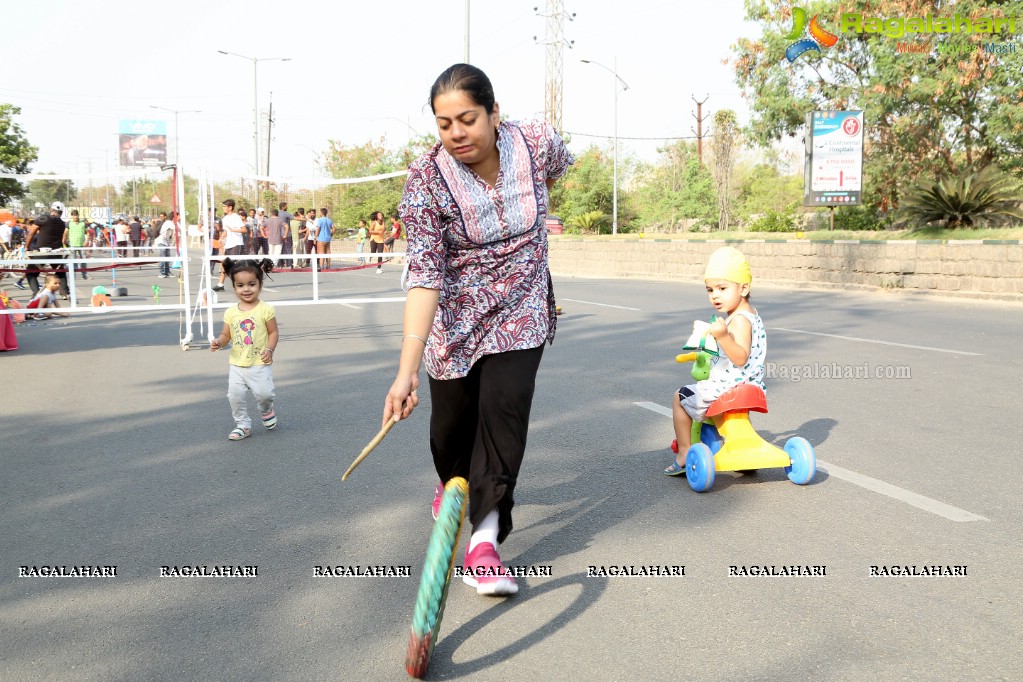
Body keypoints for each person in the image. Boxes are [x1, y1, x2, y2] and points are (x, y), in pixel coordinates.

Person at [383, 64, 574, 597]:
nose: (456, 134)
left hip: (523, 305)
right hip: (456, 317)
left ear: (494, 112)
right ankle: (452, 486)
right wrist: (406, 373)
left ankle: (485, 542)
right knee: (452, 434)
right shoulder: (424, 180)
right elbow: (424, 273)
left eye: (467, 119)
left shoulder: (535, 141)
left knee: (504, 413)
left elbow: (556, 171)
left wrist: (526, 220)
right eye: (444, 124)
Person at [664, 246, 767, 476]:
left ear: (744, 288)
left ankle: (683, 452)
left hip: (728, 386)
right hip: (750, 385)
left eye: (722, 288)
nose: (715, 295)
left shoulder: (739, 320)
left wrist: (721, 336)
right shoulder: (751, 314)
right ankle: (741, 451)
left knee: (680, 397)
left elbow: (740, 357)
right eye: (710, 290)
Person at [210, 257, 279, 441]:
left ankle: (266, 410)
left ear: (260, 284)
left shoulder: (266, 309)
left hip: (259, 363)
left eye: (251, 284)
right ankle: (243, 425)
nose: (246, 289)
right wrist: (219, 342)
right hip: (237, 364)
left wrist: (270, 350)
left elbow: (273, 333)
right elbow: (226, 335)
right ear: (234, 286)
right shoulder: (231, 312)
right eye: (240, 285)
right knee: (234, 396)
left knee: (265, 395)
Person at [24, 202, 70, 297]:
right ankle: (64, 292)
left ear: (51, 210)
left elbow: (32, 233)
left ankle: (37, 293)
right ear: (61, 212)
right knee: (60, 271)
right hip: (56, 251)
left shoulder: (43, 218)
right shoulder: (62, 223)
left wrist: (26, 247)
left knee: (30, 273)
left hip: (42, 251)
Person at [215, 199, 246, 291]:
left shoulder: (236, 217)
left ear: (230, 207)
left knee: (233, 266)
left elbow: (244, 229)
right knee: (225, 264)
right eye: (223, 206)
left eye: (225, 206)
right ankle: (220, 285)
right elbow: (225, 232)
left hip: (236, 244)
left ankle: (242, 284)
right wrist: (221, 239)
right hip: (228, 244)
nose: (223, 208)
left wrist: (234, 230)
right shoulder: (225, 218)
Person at [63, 210, 89, 280]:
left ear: (78, 215)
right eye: (74, 215)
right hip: (72, 244)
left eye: (76, 215)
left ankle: (84, 275)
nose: (75, 217)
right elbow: (65, 233)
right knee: (73, 261)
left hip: (81, 244)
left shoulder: (83, 223)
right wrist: (64, 240)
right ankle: (73, 275)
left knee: (83, 260)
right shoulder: (68, 223)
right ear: (72, 216)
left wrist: (87, 241)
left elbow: (88, 232)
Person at [154, 212, 176, 278]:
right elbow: (176, 229)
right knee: (163, 257)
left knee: (167, 257)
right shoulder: (169, 222)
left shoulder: (170, 222)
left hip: (166, 242)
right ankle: (161, 272)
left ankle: (167, 272)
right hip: (161, 241)